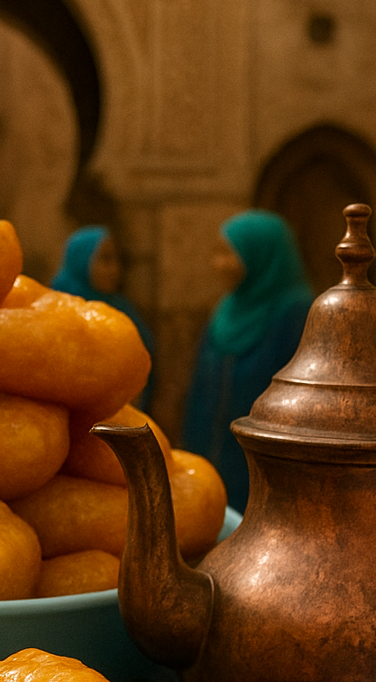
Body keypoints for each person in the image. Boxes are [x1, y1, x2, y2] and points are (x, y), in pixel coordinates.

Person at [182, 209, 314, 513]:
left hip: (268, 477)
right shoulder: (224, 311)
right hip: (212, 466)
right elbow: (198, 393)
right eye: (218, 253)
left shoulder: (297, 314)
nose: (220, 264)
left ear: (262, 255)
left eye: (230, 254)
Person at [51, 225, 156, 409]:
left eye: (116, 260)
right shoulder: (58, 309)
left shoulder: (121, 307)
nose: (114, 269)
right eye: (105, 260)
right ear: (81, 260)